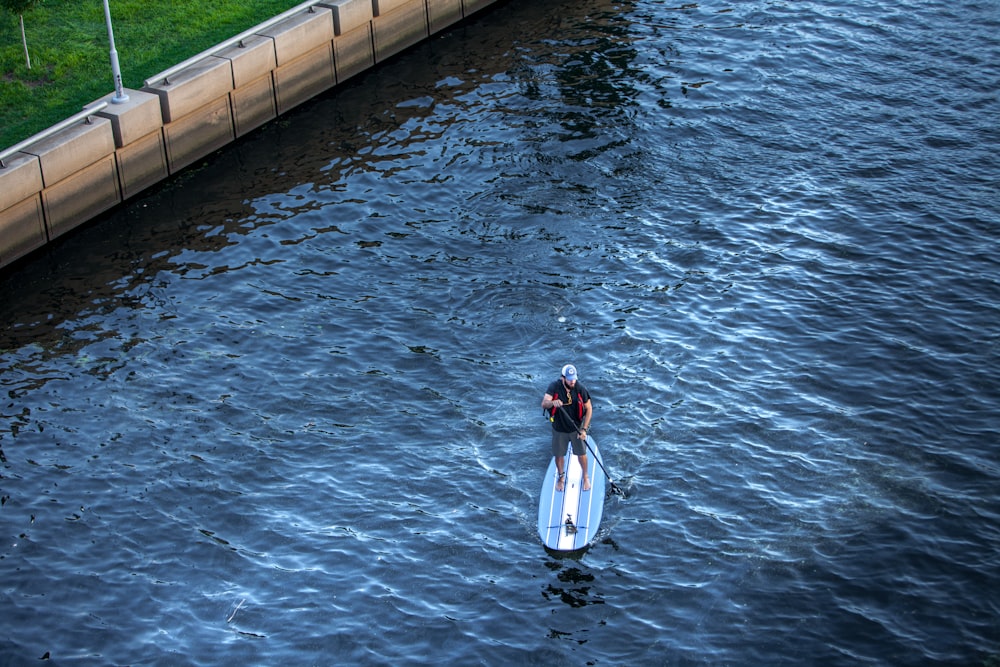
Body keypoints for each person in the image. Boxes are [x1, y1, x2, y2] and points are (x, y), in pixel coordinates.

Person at [541, 364, 593, 492]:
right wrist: (553, 402)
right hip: (560, 428)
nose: (572, 381)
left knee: (582, 454)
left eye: (574, 378)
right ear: (563, 378)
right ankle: (561, 477)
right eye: (569, 379)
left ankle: (585, 476)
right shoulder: (554, 387)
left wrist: (584, 429)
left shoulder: (580, 388)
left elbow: (589, 408)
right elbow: (544, 403)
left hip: (576, 427)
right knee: (559, 455)